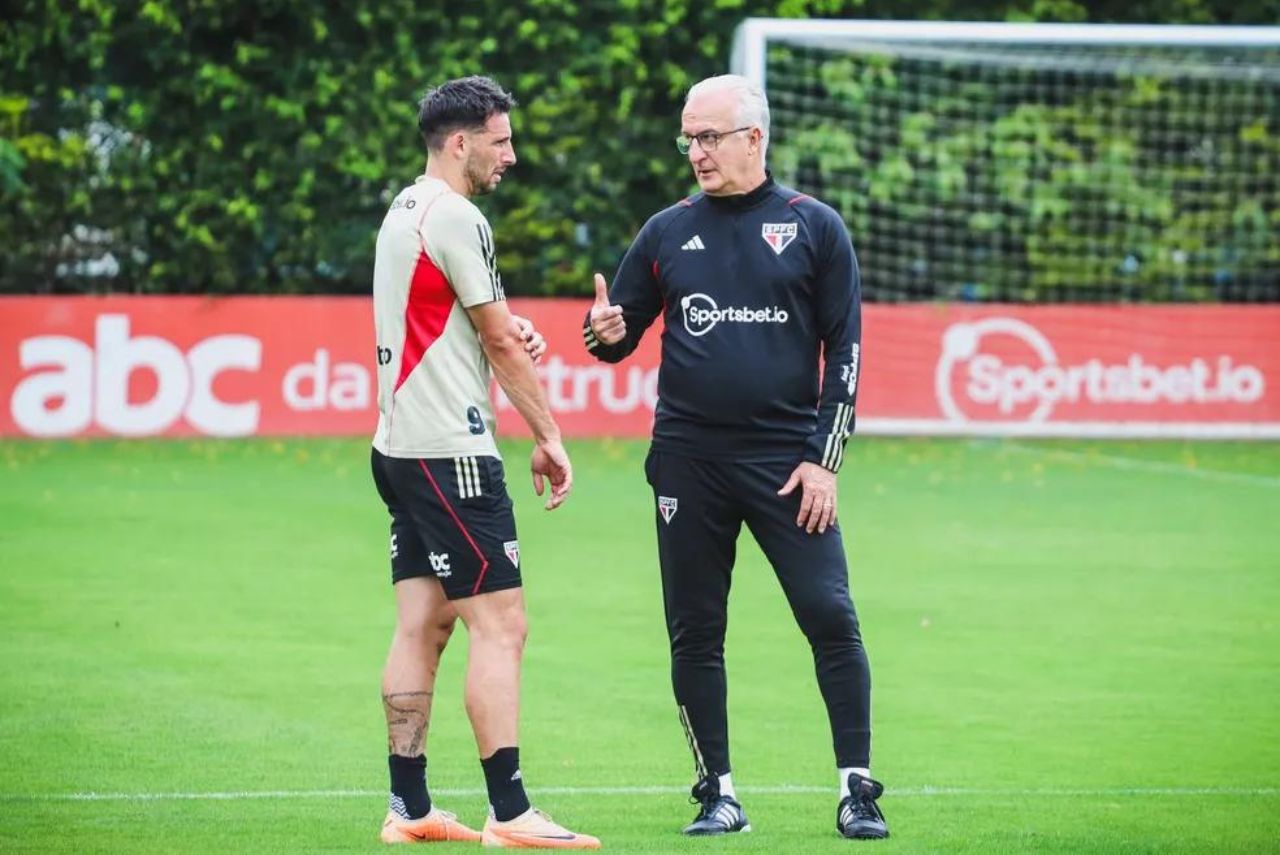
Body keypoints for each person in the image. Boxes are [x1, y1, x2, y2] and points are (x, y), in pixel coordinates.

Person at [583, 74, 888, 840]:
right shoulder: (664, 232)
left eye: (709, 136)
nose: (696, 151)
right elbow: (618, 335)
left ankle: (857, 787)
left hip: (790, 465)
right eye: (688, 137)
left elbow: (846, 352)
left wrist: (825, 460)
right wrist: (603, 333)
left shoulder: (814, 226)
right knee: (694, 630)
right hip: (688, 463)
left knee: (830, 614)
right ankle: (717, 790)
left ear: (755, 138)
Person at [370, 75, 599, 849]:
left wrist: (502, 330)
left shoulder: (407, 207)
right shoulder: (458, 214)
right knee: (502, 626)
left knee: (422, 623)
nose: (511, 155)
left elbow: (455, 317)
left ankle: (409, 808)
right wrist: (550, 434)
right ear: (461, 142)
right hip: (450, 452)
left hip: (398, 447)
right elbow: (498, 340)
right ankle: (510, 811)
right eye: (500, 140)